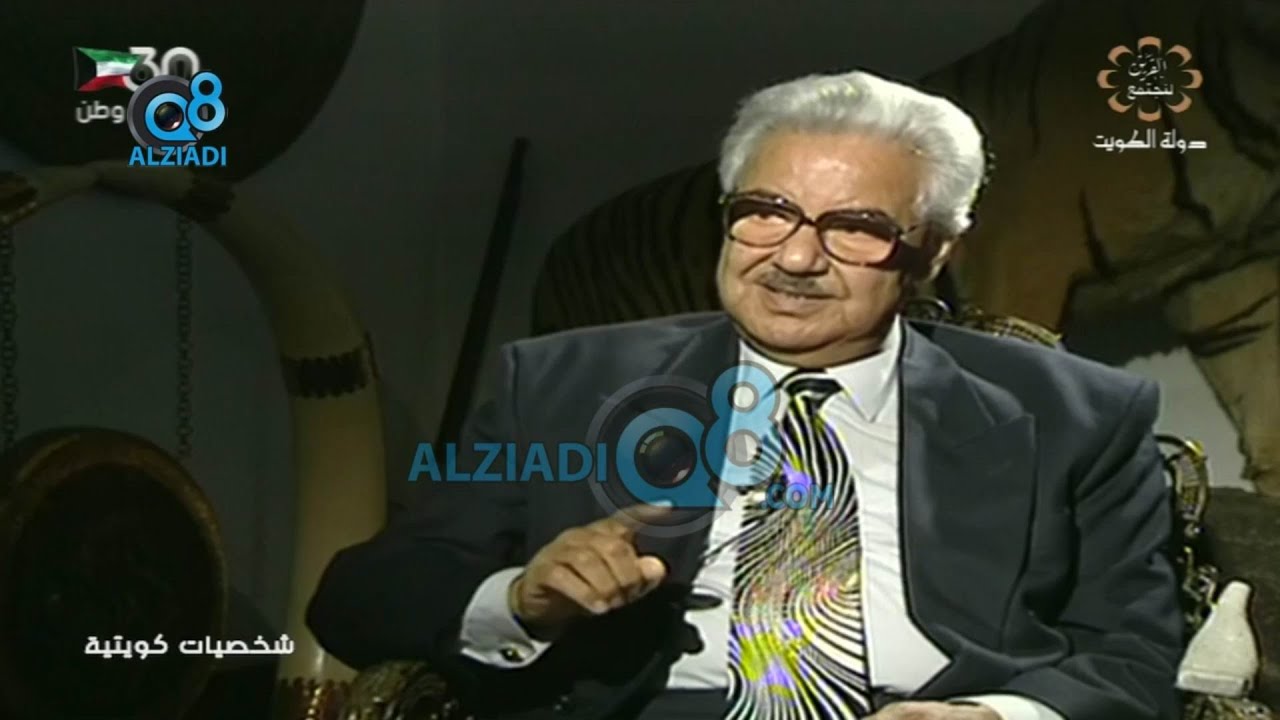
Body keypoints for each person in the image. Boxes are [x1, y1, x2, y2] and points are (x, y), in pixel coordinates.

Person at [306, 70, 1183, 719]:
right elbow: (360, 598)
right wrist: (518, 599)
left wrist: (997, 717)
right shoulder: (559, 382)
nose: (794, 258)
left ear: (935, 252)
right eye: (765, 211)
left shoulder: (1078, 415)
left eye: (856, 228)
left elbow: (1132, 653)